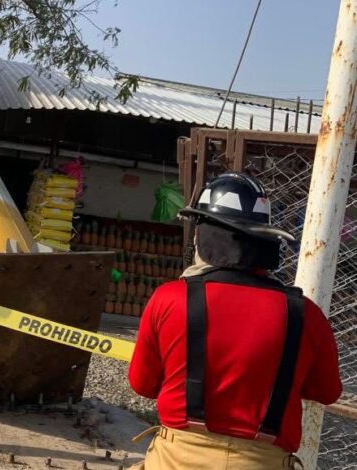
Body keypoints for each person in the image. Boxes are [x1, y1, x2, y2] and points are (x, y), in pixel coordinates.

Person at [128, 173, 342, 469]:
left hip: (176, 459)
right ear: (264, 239)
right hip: (263, 461)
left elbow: (143, 384)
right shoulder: (305, 314)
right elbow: (326, 392)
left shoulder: (170, 299)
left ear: (204, 236)